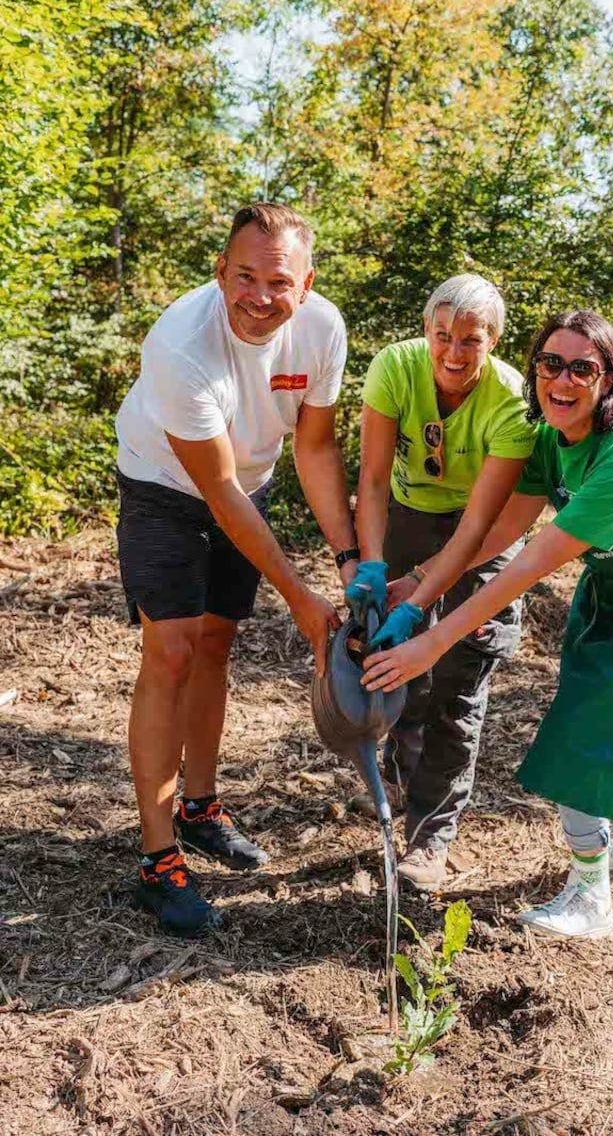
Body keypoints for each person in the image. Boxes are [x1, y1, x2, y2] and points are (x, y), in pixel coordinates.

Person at [362, 309, 613, 938]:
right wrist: (416, 583)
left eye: (583, 368)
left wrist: (434, 637)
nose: (562, 380)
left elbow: (525, 566)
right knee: (611, 724)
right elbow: (500, 531)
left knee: (580, 735)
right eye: (550, 363)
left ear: (610, 379)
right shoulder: (549, 442)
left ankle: (591, 899)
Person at [115, 202, 360, 936]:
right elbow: (213, 490)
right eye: (243, 275)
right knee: (173, 646)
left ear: (306, 284)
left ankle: (199, 806)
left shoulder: (323, 330)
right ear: (220, 271)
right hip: (164, 484)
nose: (259, 295)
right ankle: (158, 862)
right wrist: (301, 598)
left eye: (277, 281)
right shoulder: (180, 344)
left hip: (248, 487)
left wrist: (348, 563)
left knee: (217, 639)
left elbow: (315, 450)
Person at [344, 274, 535, 891]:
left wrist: (424, 587)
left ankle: (432, 835)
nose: (454, 354)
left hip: (483, 532)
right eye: (442, 337)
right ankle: (405, 774)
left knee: (460, 675)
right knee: (403, 664)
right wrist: (372, 562)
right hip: (406, 513)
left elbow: (482, 525)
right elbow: (372, 479)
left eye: (472, 342)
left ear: (494, 340)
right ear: (426, 331)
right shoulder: (395, 368)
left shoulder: (513, 402)